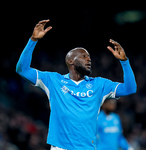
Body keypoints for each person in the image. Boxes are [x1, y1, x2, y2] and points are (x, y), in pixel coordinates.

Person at [16, 19, 137, 150]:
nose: (89, 59)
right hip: (61, 147)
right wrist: (33, 40)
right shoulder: (53, 81)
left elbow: (130, 89)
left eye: (89, 57)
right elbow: (22, 69)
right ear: (70, 61)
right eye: (84, 56)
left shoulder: (99, 85)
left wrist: (124, 62)